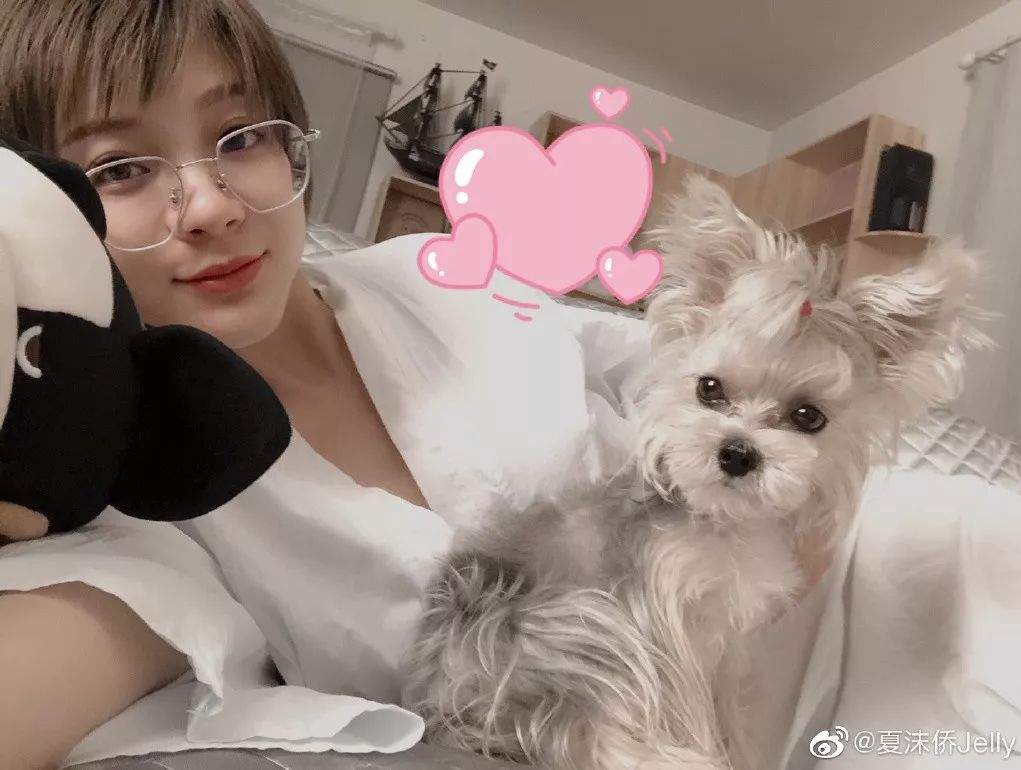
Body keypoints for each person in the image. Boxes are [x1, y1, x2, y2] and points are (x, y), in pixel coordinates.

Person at [0, 1, 836, 768]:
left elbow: (702, 374)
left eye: (241, 135)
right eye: (120, 169)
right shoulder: (134, 481)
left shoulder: (443, 275)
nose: (211, 206)